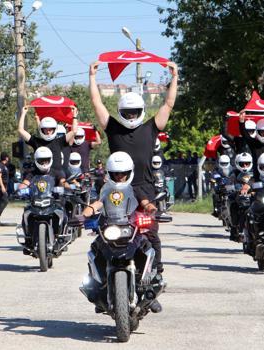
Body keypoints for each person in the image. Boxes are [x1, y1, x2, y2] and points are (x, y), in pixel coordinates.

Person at [90, 59, 178, 313]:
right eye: (126, 113)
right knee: (103, 236)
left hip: (146, 191)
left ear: (140, 111)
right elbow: (97, 103)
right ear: (120, 112)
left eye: (133, 112)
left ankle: (154, 281)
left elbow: (168, 103)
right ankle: (103, 284)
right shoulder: (113, 129)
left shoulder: (151, 128)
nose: (130, 116)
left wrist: (175, 76)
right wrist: (93, 77)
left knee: (150, 237)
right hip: (116, 189)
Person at [82, 152, 163, 313]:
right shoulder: (106, 189)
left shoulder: (135, 188)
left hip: (131, 228)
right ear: (110, 173)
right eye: (116, 174)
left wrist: (152, 209)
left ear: (129, 173)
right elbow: (98, 203)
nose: (120, 177)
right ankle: (97, 287)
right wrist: (85, 213)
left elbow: (145, 202)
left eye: (123, 173)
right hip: (111, 228)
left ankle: (152, 289)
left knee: (148, 246)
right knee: (95, 249)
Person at [17, 147, 67, 249]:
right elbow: (24, 184)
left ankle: (61, 237)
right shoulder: (32, 173)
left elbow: (63, 182)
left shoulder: (57, 172)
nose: (44, 163)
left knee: (63, 214)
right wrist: (19, 190)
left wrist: (67, 188)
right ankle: (28, 238)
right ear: (36, 161)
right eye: (41, 161)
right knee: (26, 213)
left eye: (46, 160)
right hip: (36, 201)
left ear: (50, 159)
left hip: (53, 202)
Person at [17, 106, 78, 175]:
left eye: (50, 129)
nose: (48, 132)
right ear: (42, 130)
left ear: (54, 130)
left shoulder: (59, 141)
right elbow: (20, 130)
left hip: (58, 178)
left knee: (66, 184)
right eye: (46, 129)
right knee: (23, 185)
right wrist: (23, 113)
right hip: (40, 178)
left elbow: (74, 131)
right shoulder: (36, 142)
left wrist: (74, 115)